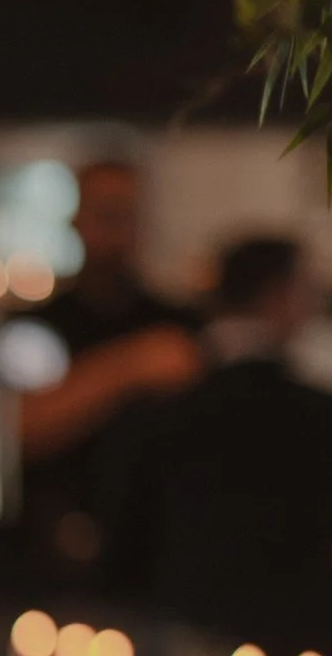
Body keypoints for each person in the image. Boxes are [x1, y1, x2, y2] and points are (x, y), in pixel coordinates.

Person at [112, 236, 332, 656]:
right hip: (301, 652)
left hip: (185, 651)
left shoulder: (152, 418)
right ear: (282, 296)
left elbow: (126, 546)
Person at [18, 161, 205, 563]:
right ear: (76, 220)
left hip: (158, 551)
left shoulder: (179, 323)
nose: (115, 231)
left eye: (127, 215)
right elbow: (16, 430)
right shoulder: (35, 328)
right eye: (104, 214)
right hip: (51, 550)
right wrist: (130, 367)